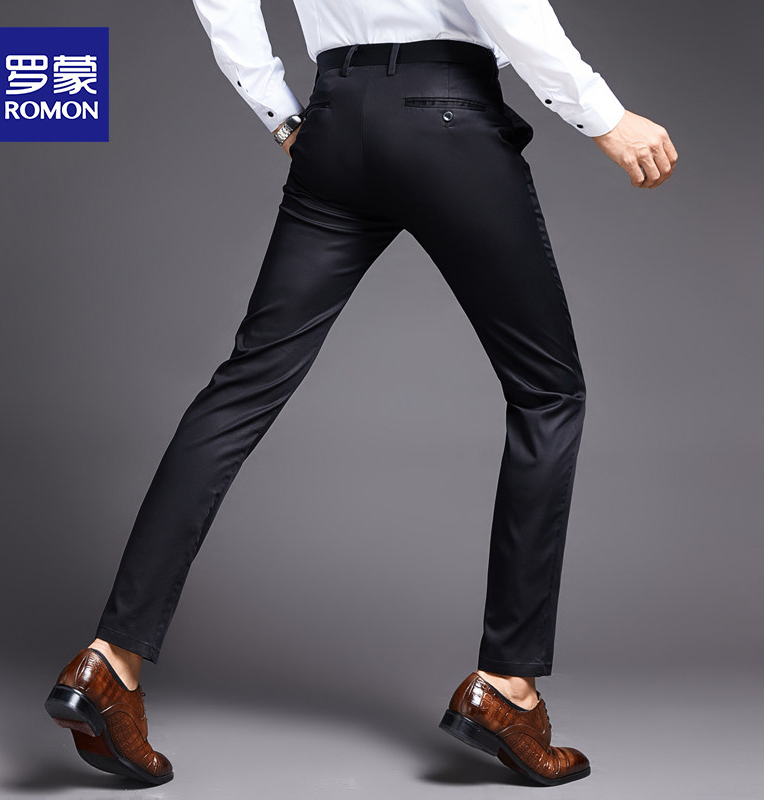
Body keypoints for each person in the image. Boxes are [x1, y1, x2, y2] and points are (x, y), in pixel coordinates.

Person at [43, 0, 677, 788]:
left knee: (242, 386)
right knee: (548, 393)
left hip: (335, 120)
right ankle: (507, 689)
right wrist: (604, 116)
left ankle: (109, 663)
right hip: (446, 112)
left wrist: (280, 113)